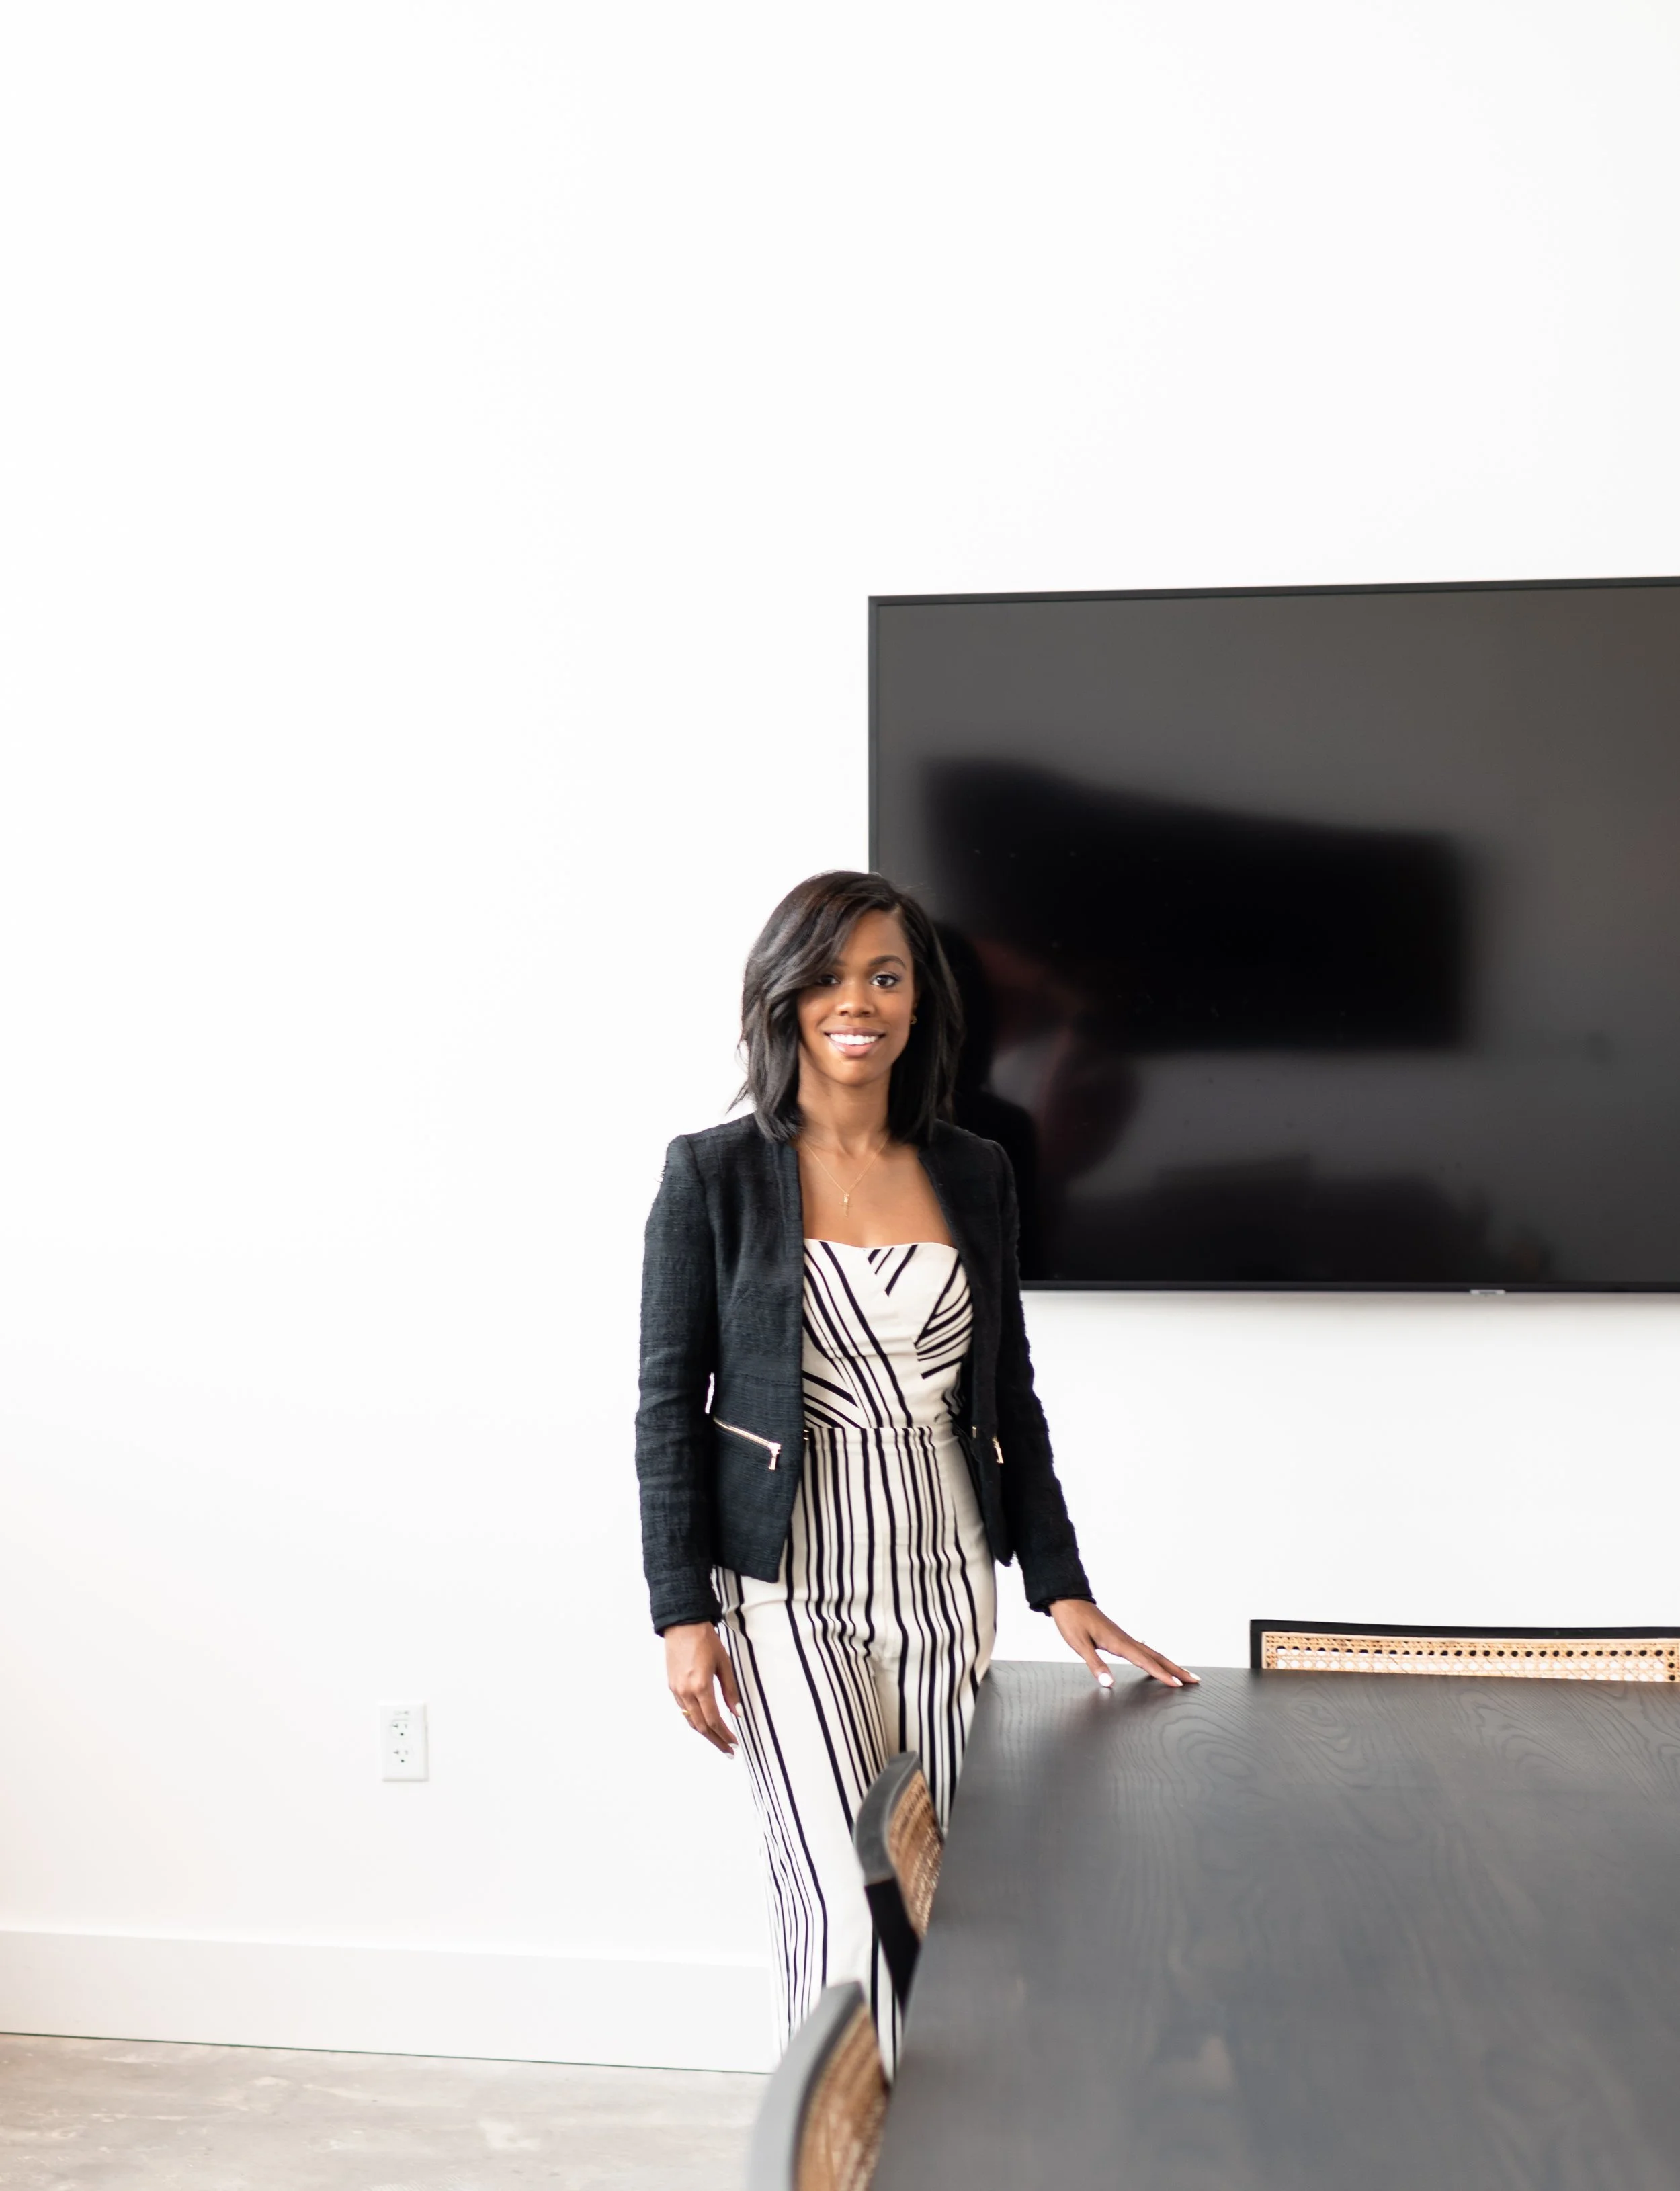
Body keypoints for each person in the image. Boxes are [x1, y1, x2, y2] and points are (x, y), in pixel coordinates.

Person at [634, 870, 1195, 2063]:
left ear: (918, 1002)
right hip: (785, 1591)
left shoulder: (975, 1171)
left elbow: (1009, 1401)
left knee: (931, 1894)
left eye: (886, 976)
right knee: (846, 1895)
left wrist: (1060, 1583)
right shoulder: (713, 1176)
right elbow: (666, 1409)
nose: (859, 1001)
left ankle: (912, 2147)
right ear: (782, 997)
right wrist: (682, 1613)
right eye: (831, 976)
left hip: (946, 1587)